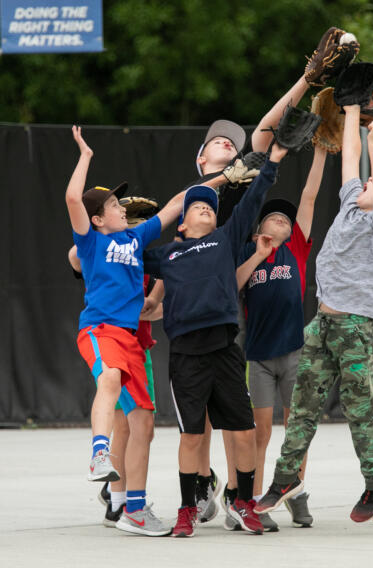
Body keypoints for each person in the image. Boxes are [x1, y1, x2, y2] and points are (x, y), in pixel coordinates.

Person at [255, 109, 373, 524]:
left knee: (360, 408)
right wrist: (352, 109)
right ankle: (285, 478)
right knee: (302, 407)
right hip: (321, 323)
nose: (366, 184)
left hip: (355, 326)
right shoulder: (347, 207)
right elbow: (348, 158)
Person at [143, 142, 289, 538]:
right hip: (186, 354)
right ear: (182, 225)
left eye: (209, 204)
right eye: (196, 206)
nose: (205, 207)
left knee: (243, 431)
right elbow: (120, 253)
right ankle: (187, 509)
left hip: (225, 349)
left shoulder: (225, 239)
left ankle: (243, 503)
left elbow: (254, 196)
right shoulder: (167, 256)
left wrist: (273, 160)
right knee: (192, 435)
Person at [65, 126, 185, 536]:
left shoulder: (135, 238)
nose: (121, 207)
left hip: (132, 339)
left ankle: (134, 509)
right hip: (99, 330)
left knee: (144, 424)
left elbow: (173, 206)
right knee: (110, 379)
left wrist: (222, 179)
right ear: (98, 219)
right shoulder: (90, 244)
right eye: (114, 204)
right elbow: (71, 199)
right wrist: (85, 156)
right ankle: (99, 454)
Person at [234, 145, 327, 531]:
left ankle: (296, 491)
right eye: (275, 218)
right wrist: (257, 254)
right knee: (262, 430)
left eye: (288, 222)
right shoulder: (247, 254)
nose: (284, 223)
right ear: (260, 228)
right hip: (258, 356)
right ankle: (256, 499)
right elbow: (234, 284)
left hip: (293, 352)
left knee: (297, 427)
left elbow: (308, 197)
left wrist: (321, 151)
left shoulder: (296, 251)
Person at [69, 204, 164, 528]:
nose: (129, 218)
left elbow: (164, 283)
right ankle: (119, 498)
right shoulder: (100, 251)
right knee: (122, 421)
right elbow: (74, 255)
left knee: (141, 425)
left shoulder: (143, 256)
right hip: (111, 338)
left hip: (140, 346)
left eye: (135, 216)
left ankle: (124, 500)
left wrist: (157, 302)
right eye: (122, 210)